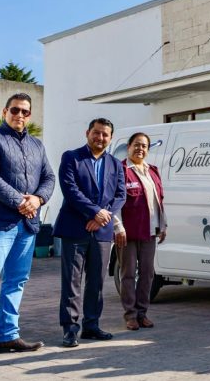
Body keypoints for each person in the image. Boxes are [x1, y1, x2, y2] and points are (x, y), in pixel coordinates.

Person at [0, 93, 55, 365]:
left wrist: (38, 199)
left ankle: (7, 337)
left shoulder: (37, 145)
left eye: (25, 111)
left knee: (16, 281)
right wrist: (20, 201)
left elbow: (49, 177)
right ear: (5, 112)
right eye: (15, 110)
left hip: (26, 225)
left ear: (30, 115)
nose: (20, 115)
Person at [54, 118, 126, 347]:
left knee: (96, 282)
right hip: (75, 229)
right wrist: (95, 212)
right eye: (96, 132)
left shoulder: (115, 164)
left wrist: (103, 216)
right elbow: (70, 190)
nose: (100, 137)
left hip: (102, 232)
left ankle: (92, 326)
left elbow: (120, 195)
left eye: (105, 134)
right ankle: (70, 329)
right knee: (72, 282)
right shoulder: (71, 157)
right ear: (88, 133)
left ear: (111, 138)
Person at [114, 132, 167, 331]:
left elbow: (159, 200)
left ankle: (142, 313)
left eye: (144, 146)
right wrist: (118, 227)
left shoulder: (152, 171)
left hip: (150, 231)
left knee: (147, 273)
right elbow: (114, 202)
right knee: (128, 274)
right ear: (128, 147)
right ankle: (130, 315)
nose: (140, 149)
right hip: (127, 233)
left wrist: (163, 225)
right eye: (136, 145)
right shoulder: (120, 170)